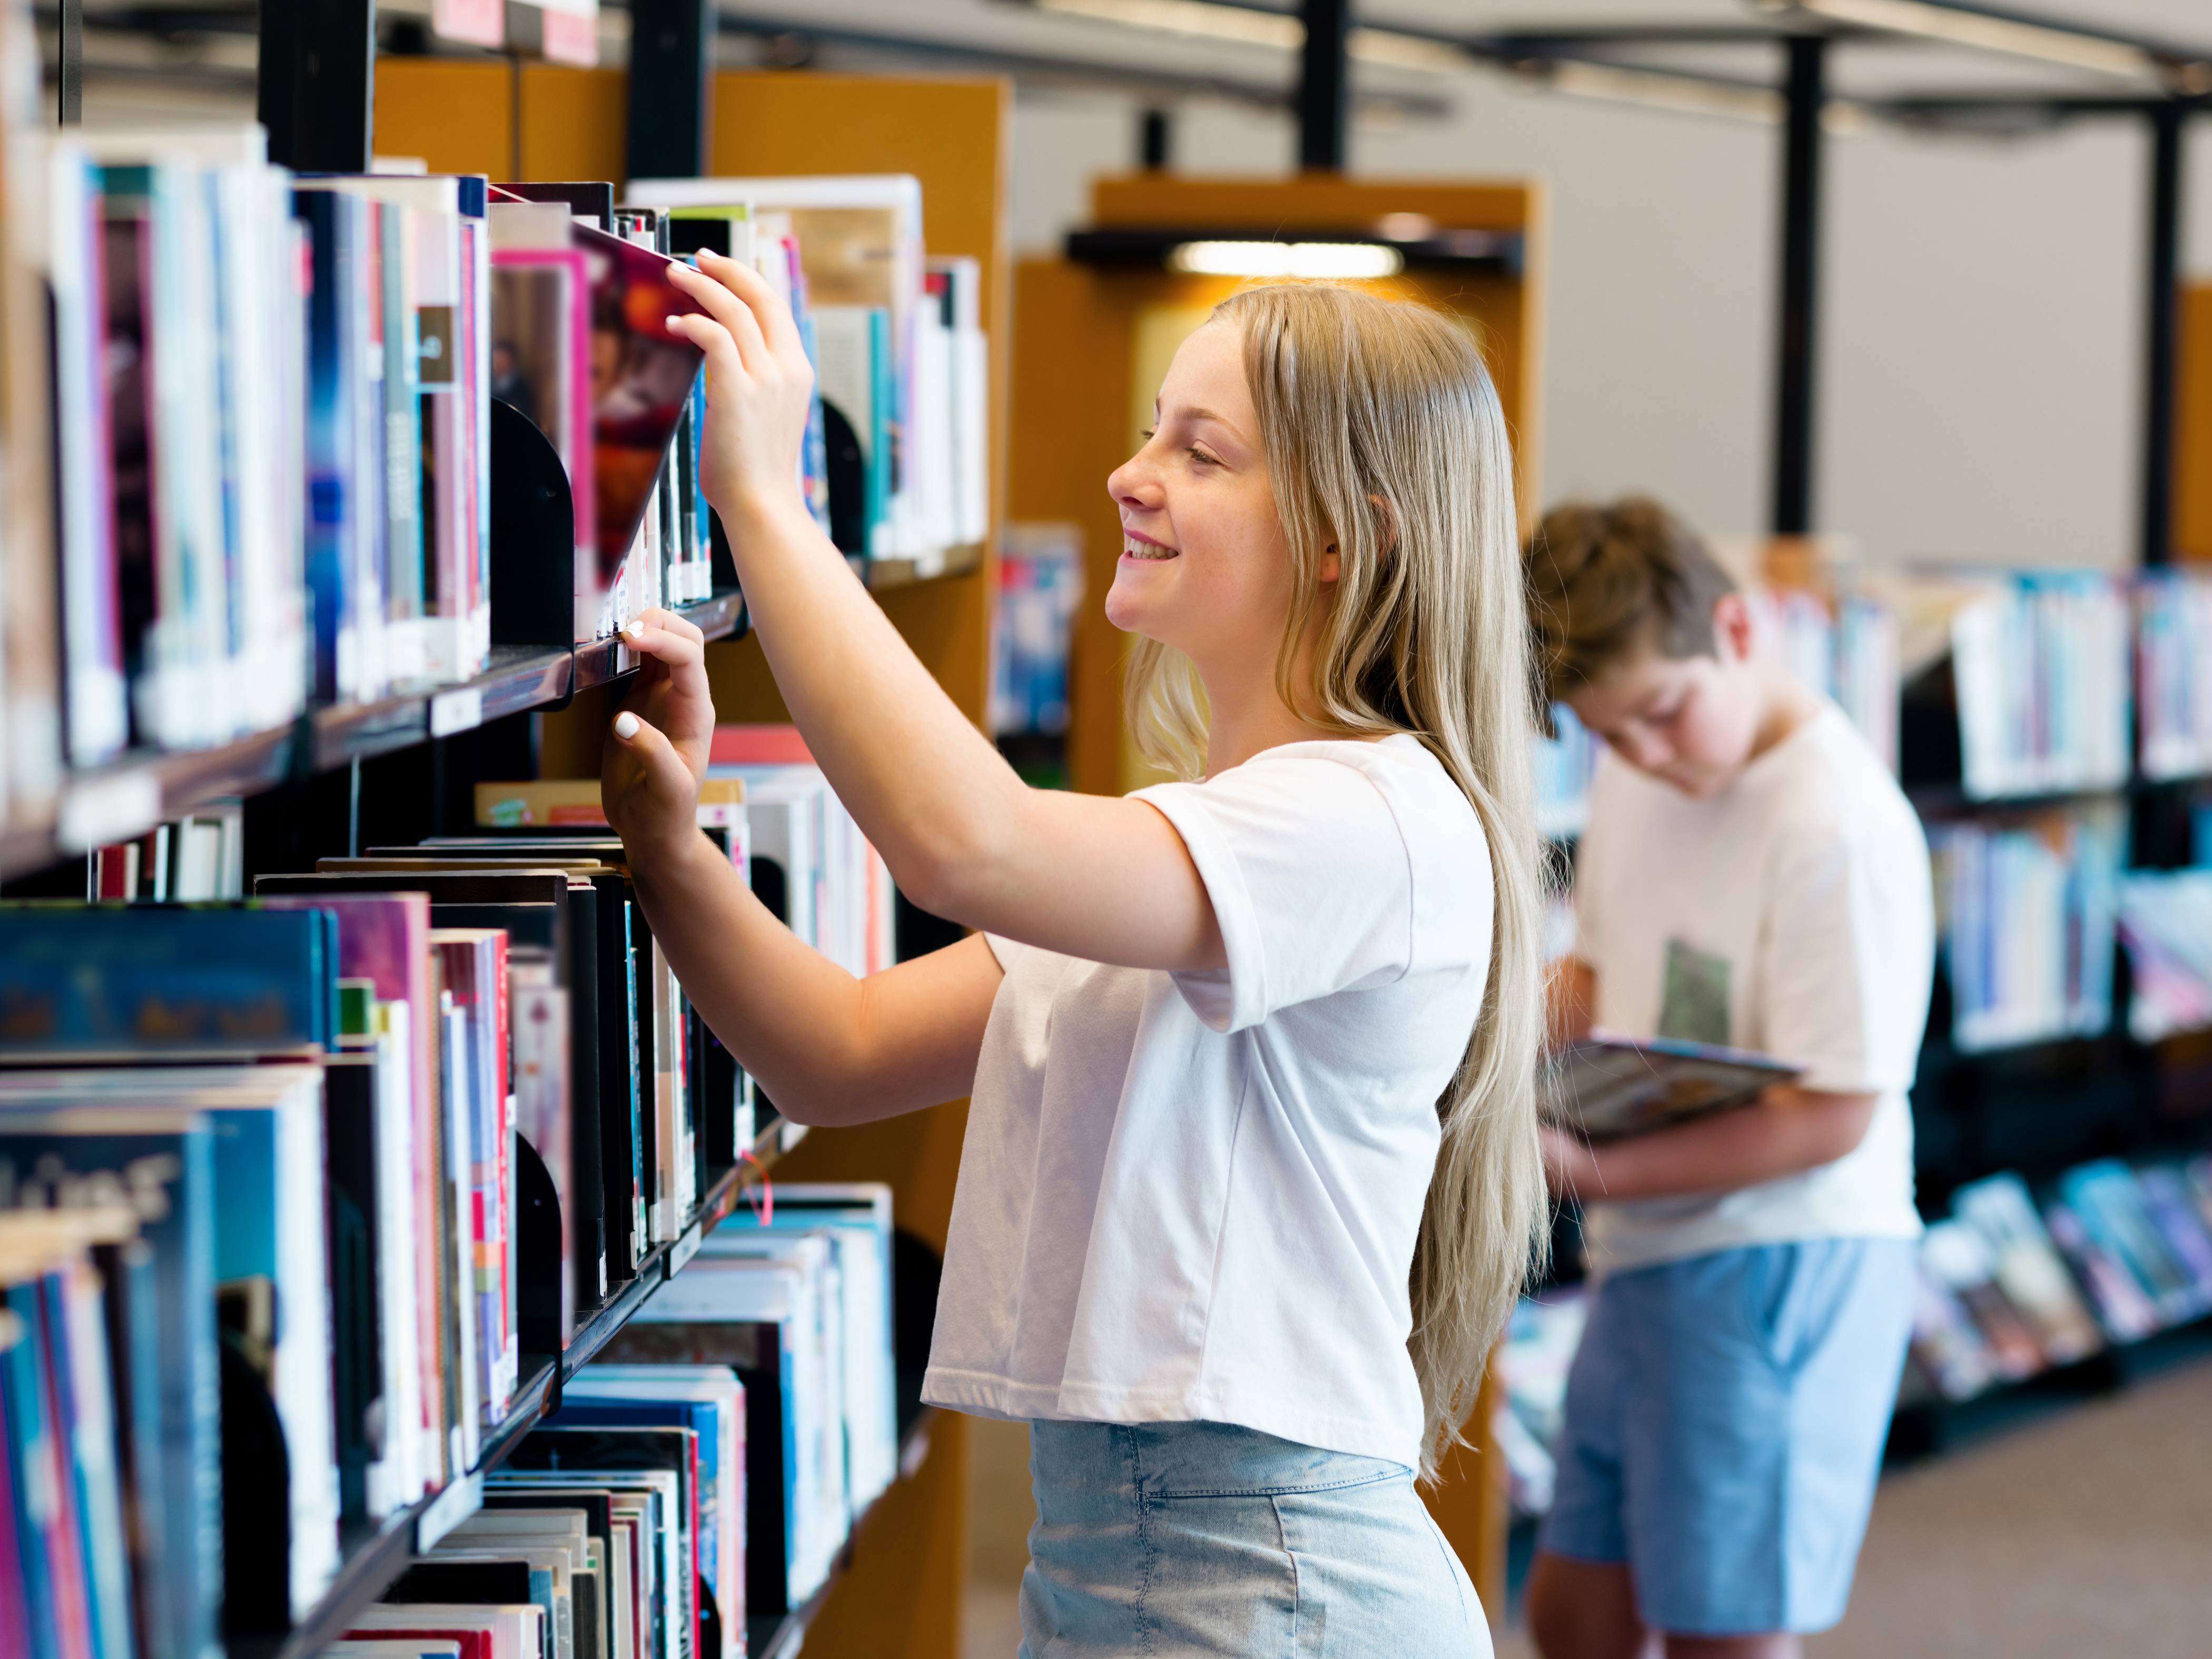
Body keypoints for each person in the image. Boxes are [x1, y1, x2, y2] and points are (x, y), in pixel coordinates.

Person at [603, 257, 1550, 1655]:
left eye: (1199, 449)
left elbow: (964, 844)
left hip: (1266, 1589)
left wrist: (764, 501)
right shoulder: (1201, 854)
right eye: (1156, 425)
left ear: (1346, 537)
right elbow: (841, 1053)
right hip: (1140, 1572)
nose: (1130, 471)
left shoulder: (1371, 819)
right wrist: (672, 849)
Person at [1520, 499, 1933, 1659]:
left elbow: (1836, 1115)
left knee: (1723, 1633)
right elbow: (1602, 982)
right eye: (1608, 736)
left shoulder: (1837, 826)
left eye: (1661, 713)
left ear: (1740, 632)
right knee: (1574, 1617)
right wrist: (1479, 1043)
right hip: (1651, 1252)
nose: (1643, 755)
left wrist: (1582, 1169)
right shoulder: (1645, 771)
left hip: (1779, 1255)